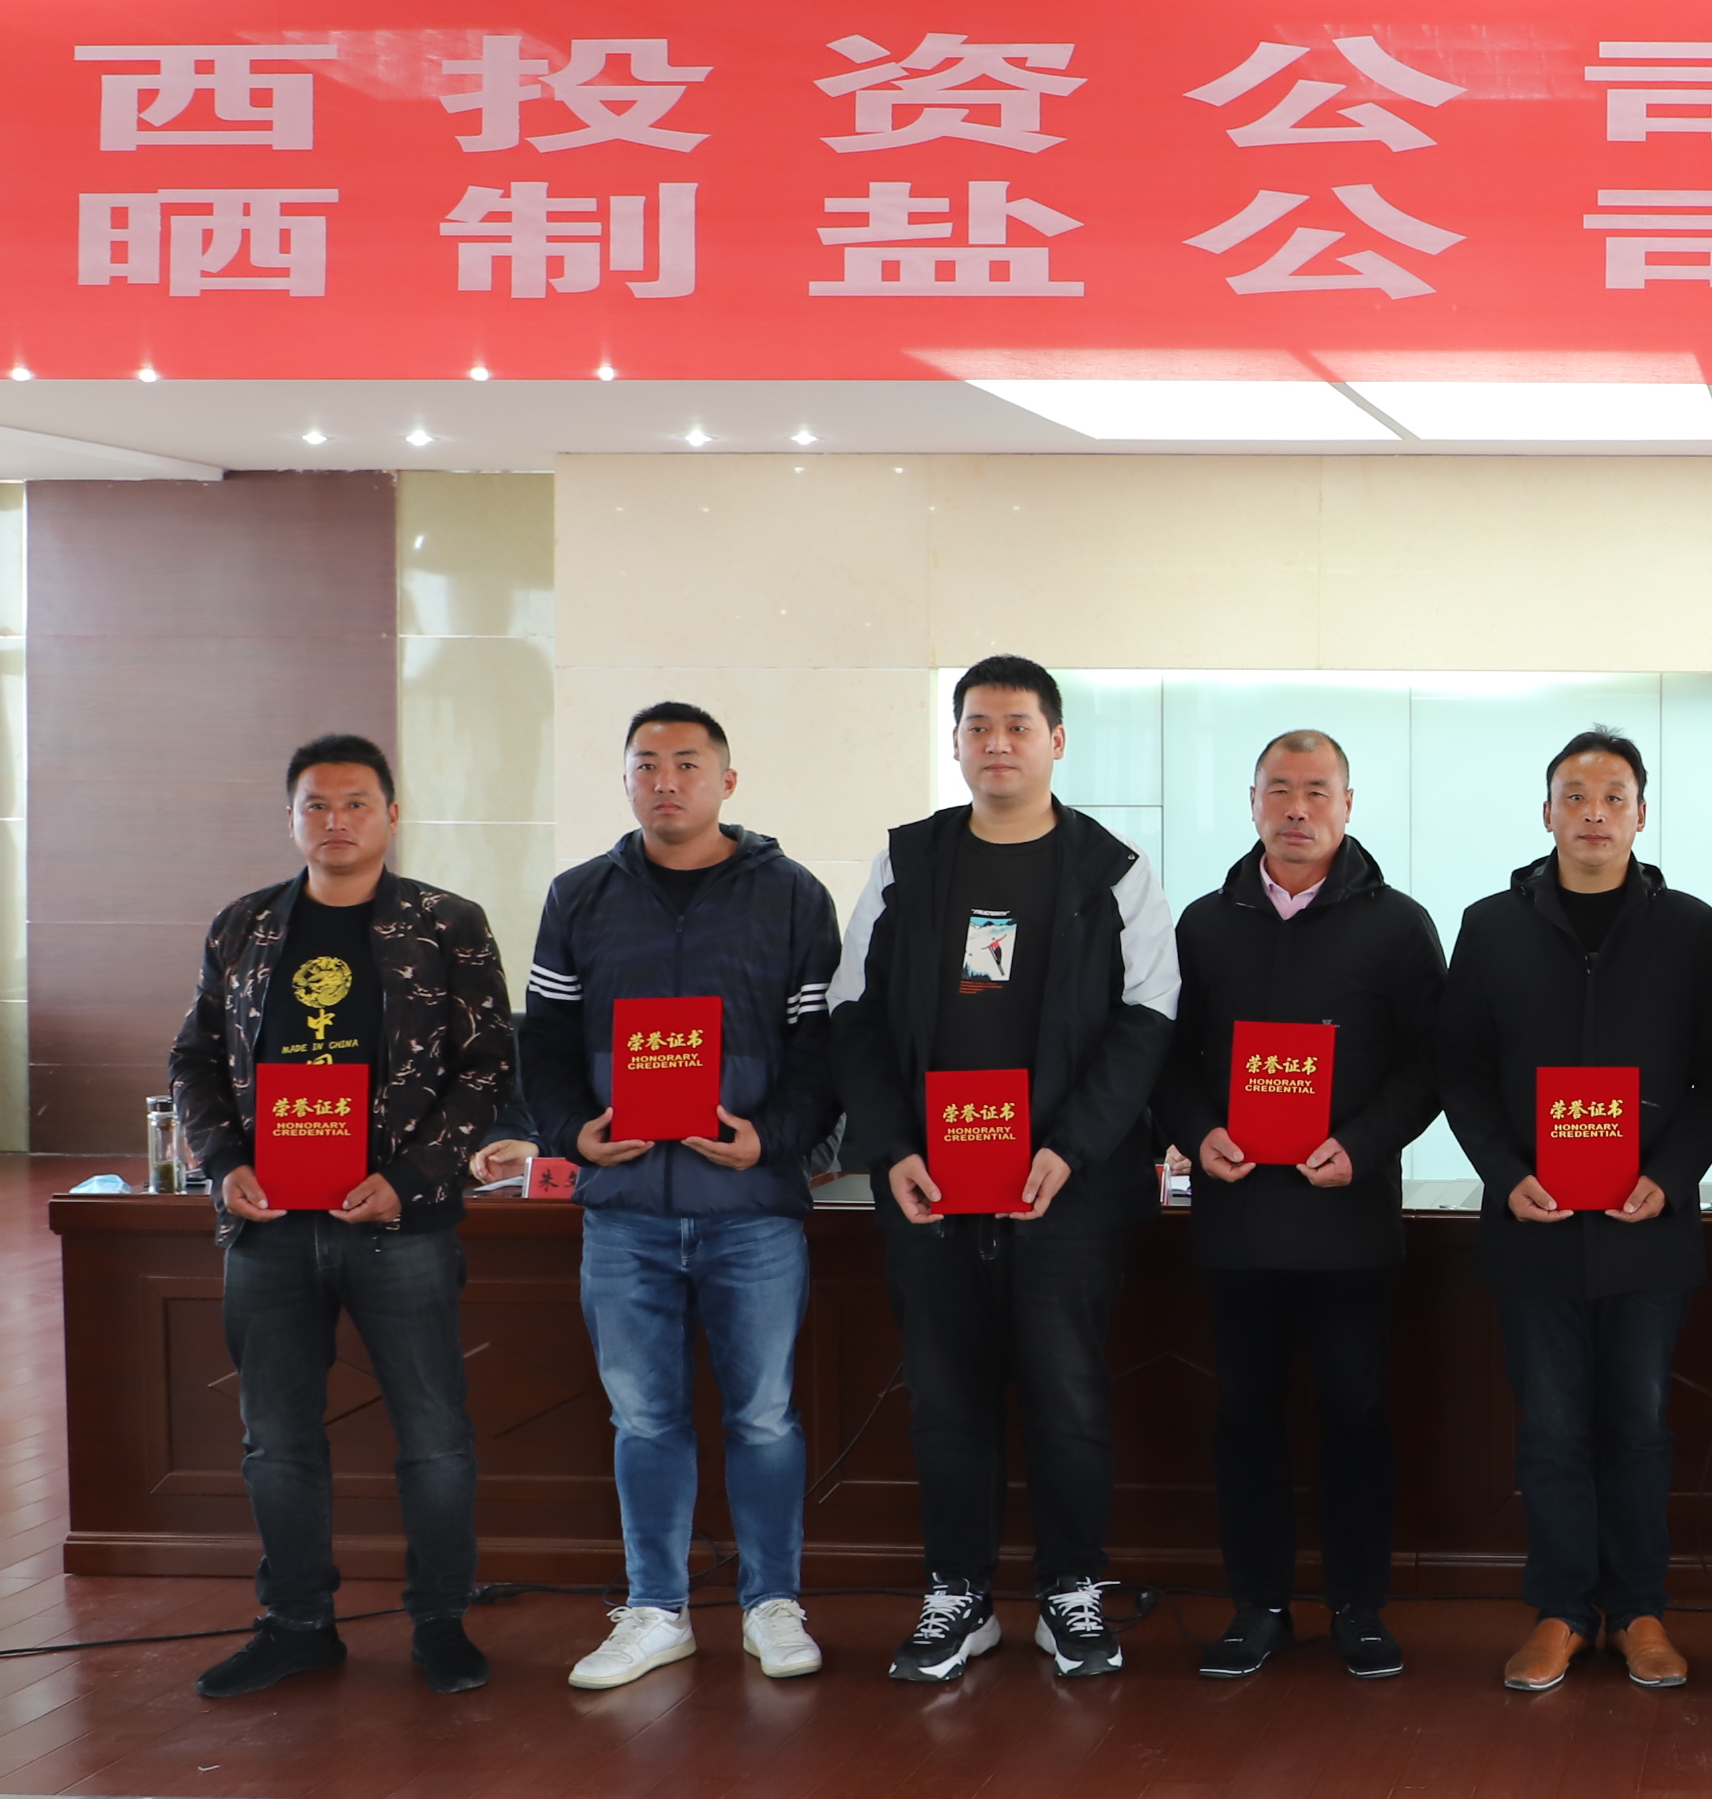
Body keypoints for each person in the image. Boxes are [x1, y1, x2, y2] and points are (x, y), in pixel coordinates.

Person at [830, 655, 1178, 1685]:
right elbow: (851, 1012)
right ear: (955, 744)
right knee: (945, 1399)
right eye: (977, 725)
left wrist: (1070, 1148)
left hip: (1069, 1191)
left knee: (1069, 1395)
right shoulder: (909, 861)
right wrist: (892, 1148)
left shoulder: (1112, 869)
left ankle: (1070, 1590)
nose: (997, 743)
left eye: (1018, 725)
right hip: (929, 1189)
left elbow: (1148, 1018)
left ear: (1055, 741)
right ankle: (960, 1593)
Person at [166, 733, 524, 1700]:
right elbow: (194, 1058)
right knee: (276, 1440)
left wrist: (412, 1176)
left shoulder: (447, 924)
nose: (336, 821)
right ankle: (296, 1624)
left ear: (392, 815)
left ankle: (441, 1620)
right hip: (271, 1225)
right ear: (291, 819)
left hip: (400, 1224)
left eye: (356, 803)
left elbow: (488, 1066)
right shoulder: (244, 926)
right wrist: (225, 1163)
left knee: (435, 1437)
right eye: (316, 805)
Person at [520, 702, 846, 1691]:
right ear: (624, 779)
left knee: (764, 1417)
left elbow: (822, 1048)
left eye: (688, 763)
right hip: (625, 1210)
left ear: (727, 781)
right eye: (647, 764)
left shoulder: (790, 895)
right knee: (643, 1418)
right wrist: (572, 1133)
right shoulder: (579, 895)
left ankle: (772, 1602)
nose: (667, 781)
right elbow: (544, 1040)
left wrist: (771, 1138)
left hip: (752, 1210)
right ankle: (655, 1607)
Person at [1434, 729, 1712, 1693]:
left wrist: (1674, 1174)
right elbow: (1458, 1068)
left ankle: (1640, 1610)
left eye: (1614, 796)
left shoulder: (1689, 927)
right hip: (1533, 1227)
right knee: (1552, 1429)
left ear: (1642, 816)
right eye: (1575, 795)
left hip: (1648, 1229)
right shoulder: (1492, 926)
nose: (1595, 812)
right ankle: (1563, 1611)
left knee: (1640, 1426)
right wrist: (1502, 1172)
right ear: (1546, 813)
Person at [1157, 728, 1446, 1681]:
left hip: (1346, 1219)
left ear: (1348, 805)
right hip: (1238, 1217)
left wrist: (1363, 1144)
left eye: (1317, 790)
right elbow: (1167, 1056)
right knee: (1245, 1414)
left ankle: (1359, 1605)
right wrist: (1198, 1130)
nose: (1296, 808)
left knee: (1355, 1412)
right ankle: (1259, 1605)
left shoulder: (1398, 926)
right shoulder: (1204, 925)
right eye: (1278, 789)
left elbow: (1432, 1062)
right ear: (1251, 803)